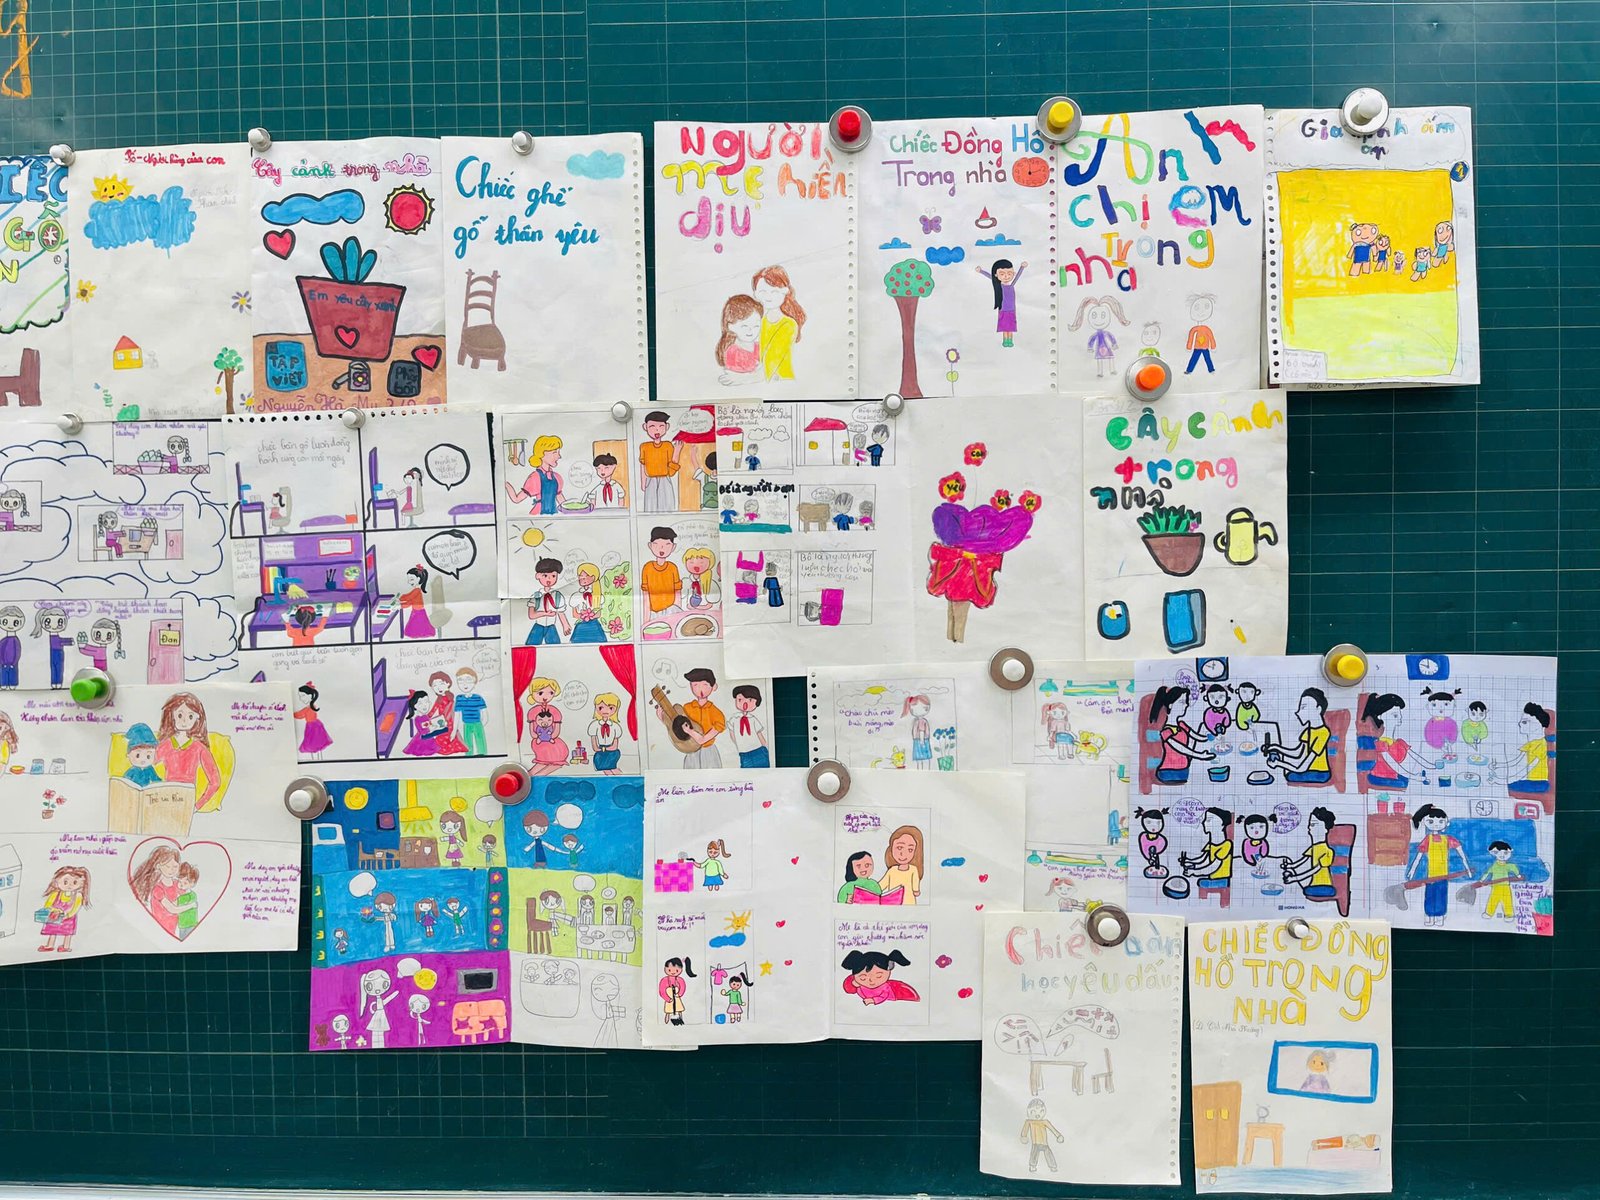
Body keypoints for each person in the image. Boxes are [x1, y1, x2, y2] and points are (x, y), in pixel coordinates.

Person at [154, 692, 225, 809]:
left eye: (190, 716)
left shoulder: (199, 748)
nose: (184, 721)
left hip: (187, 799)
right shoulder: (165, 745)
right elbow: (146, 763)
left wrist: (197, 806)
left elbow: (215, 781)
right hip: (166, 798)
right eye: (180, 715)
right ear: (172, 716)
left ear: (197, 719)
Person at [1407, 804, 1470, 926]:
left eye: (1440, 821)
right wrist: (1412, 869)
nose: (1436, 825)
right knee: (1430, 895)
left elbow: (1461, 853)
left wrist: (1467, 867)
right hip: (1431, 875)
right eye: (1431, 821)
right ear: (1425, 822)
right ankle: (1429, 915)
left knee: (1441, 895)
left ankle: (1440, 916)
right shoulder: (1428, 839)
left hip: (1443, 875)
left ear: (1446, 823)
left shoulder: (1448, 839)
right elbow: (1419, 856)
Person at [1362, 693, 1433, 789]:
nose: (1400, 717)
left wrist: (1431, 766)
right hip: (1382, 780)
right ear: (1381, 717)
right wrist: (1414, 777)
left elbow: (1414, 757)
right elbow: (1395, 766)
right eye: (1395, 715)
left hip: (1396, 777)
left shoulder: (1399, 742)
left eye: (1399, 714)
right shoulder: (1381, 745)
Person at [1265, 687, 1333, 784]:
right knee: (1288, 775)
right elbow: (1297, 753)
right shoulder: (1308, 731)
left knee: (1289, 776)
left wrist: (1279, 764)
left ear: (1318, 709)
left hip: (1320, 774)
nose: (1298, 712)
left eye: (1303, 707)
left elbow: (1302, 768)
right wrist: (1276, 748)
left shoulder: (1323, 733)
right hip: (1310, 771)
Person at [1148, 685, 1212, 784]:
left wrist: (1208, 736)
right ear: (1171, 705)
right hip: (1168, 772)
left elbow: (1196, 736)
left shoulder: (1181, 725)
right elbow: (1180, 748)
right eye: (1182, 702)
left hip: (1184, 771)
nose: (1186, 705)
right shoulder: (1166, 731)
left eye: (1186, 702)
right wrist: (1200, 755)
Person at [751, 265, 806, 380]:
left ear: (784, 292)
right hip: (764, 380)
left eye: (774, 291)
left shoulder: (789, 325)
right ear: (756, 294)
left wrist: (744, 379)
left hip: (782, 381)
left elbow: (772, 360)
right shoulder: (762, 321)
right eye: (763, 292)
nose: (768, 297)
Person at [1282, 806, 1339, 901]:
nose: (1309, 828)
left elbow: (1314, 870)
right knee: (1305, 888)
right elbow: (1302, 861)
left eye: (1313, 825)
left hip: (1325, 887)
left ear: (1325, 829)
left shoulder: (1328, 851)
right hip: (1313, 885)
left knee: (1306, 890)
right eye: (1309, 824)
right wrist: (1289, 866)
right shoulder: (1313, 848)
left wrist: (1295, 878)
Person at [130, 846, 185, 937]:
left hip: (174, 924)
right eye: (168, 866)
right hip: (161, 925)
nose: (172, 870)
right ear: (158, 866)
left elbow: (185, 896)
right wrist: (191, 906)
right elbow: (172, 908)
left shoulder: (177, 883)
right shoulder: (158, 888)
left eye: (175, 866)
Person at [506, 434, 565, 515]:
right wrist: (505, 484)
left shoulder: (557, 477)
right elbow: (516, 499)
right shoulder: (535, 477)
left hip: (553, 515)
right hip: (537, 516)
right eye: (554, 452)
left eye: (558, 452)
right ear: (542, 454)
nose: (559, 456)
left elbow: (562, 503)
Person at [679, 668, 726, 768]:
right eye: (695, 685)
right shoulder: (686, 708)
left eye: (704, 684)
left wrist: (690, 731)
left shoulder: (717, 713)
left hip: (708, 752)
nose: (700, 689)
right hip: (691, 752)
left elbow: (702, 740)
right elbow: (676, 727)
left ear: (714, 687)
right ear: (690, 686)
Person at [37, 865, 90, 953]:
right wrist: (54, 910)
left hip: (68, 918)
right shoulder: (55, 894)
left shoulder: (78, 896)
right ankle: (50, 945)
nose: (69, 886)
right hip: (55, 916)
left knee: (67, 932)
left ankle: (66, 946)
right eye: (65, 882)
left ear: (82, 883)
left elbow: (75, 908)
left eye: (75, 882)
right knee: (52, 930)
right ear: (57, 881)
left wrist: (67, 915)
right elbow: (48, 904)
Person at [975, 258, 1027, 347]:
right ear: (996, 275)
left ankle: (1010, 341)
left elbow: (1018, 276)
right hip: (1003, 310)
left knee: (1010, 328)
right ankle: (1005, 341)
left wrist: (1022, 267)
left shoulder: (1011, 285)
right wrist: (981, 271)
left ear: (1013, 273)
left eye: (1009, 273)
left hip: (1011, 311)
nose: (1006, 276)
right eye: (1002, 274)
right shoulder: (1000, 286)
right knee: (1005, 327)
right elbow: (990, 277)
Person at [1181, 807, 1233, 895]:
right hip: (1211, 877)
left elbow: (1213, 866)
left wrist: (1194, 872)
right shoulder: (1211, 844)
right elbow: (1204, 860)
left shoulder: (1226, 845)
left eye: (1208, 820)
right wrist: (1190, 863)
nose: (1204, 822)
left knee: (1200, 883)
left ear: (1221, 824)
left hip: (1221, 880)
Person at [1503, 703, 1552, 794]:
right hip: (1529, 781)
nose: (1519, 724)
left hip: (1539, 783)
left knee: (1506, 786)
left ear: (1539, 723)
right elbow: (1517, 761)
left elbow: (1527, 768)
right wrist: (1500, 765)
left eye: (1525, 722)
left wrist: (1504, 780)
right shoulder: (1531, 744)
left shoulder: (1541, 744)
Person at [637, 411, 681, 512]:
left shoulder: (668, 445)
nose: (657, 430)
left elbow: (671, 470)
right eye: (652, 426)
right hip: (650, 480)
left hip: (665, 480)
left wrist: (677, 451)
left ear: (667, 427)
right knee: (650, 507)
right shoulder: (644, 446)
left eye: (661, 426)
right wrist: (643, 482)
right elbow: (643, 465)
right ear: (645, 427)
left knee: (667, 506)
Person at [840, 948, 919, 1004]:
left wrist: (873, 1000)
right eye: (863, 978)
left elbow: (883, 996)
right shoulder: (857, 983)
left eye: (879, 976)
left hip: (896, 999)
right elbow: (849, 989)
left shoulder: (885, 987)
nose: (871, 981)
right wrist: (853, 984)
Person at [524, 677, 569, 773]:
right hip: (539, 741)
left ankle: (537, 774)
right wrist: (540, 737)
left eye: (551, 693)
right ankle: (533, 774)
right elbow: (532, 732)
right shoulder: (533, 712)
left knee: (558, 756)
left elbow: (556, 731)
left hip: (552, 740)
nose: (545, 697)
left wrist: (550, 737)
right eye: (540, 693)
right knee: (544, 760)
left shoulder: (554, 711)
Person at [525, 557, 572, 644]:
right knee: (531, 646)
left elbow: (560, 612)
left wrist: (565, 625)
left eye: (553, 576)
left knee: (555, 647)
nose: (549, 579)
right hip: (538, 626)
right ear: (538, 576)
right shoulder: (536, 596)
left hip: (551, 627)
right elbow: (531, 615)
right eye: (545, 576)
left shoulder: (557, 596)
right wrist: (545, 613)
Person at [715, 294, 764, 375]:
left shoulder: (760, 347)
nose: (751, 330)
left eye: (756, 326)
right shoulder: (732, 353)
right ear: (730, 326)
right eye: (744, 326)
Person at [641, 527, 683, 613]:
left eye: (667, 544)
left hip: (672, 610)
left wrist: (678, 612)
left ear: (673, 547)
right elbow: (646, 595)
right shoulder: (647, 568)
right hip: (653, 612)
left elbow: (678, 592)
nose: (662, 548)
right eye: (656, 544)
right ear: (650, 545)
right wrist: (646, 618)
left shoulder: (672, 568)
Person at [1478, 841, 1522, 921]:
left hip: (1505, 886)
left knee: (1507, 901)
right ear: (1493, 853)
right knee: (1493, 900)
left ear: (1510, 852)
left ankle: (1509, 915)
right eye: (1497, 852)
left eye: (1505, 853)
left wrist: (1518, 874)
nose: (1502, 855)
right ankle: (1488, 913)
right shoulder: (1494, 865)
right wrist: (1482, 879)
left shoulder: (1508, 865)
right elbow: (1488, 872)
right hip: (1496, 886)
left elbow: (1513, 867)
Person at [727, 684, 769, 768]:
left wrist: (765, 747)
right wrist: (739, 745)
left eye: (750, 700)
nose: (745, 703)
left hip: (758, 751)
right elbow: (732, 735)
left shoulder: (753, 719)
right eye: (740, 699)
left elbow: (759, 735)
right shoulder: (734, 719)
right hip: (744, 753)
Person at [880, 825, 923, 904]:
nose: (904, 854)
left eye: (910, 850)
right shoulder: (892, 870)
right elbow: (881, 885)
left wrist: (916, 890)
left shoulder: (913, 870)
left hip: (909, 903)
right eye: (899, 848)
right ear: (891, 848)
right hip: (893, 903)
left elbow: (915, 884)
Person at [1019, 1098, 1064, 1173]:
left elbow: (1052, 1129)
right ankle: (1032, 1166)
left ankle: (1053, 1166)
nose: (1037, 1115)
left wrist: (1058, 1136)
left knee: (1048, 1154)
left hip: (1044, 1143)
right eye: (1033, 1112)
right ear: (1029, 1111)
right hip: (1035, 1143)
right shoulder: (1029, 1122)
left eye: (1041, 1111)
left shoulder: (1045, 1122)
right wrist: (1023, 1136)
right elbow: (1025, 1130)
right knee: (1034, 1154)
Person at [32, 606, 71, 690]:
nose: (54, 626)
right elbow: (59, 642)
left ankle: (57, 683)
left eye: (59, 622)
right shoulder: (52, 637)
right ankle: (56, 683)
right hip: (55, 652)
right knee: (55, 668)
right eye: (48, 622)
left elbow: (59, 641)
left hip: (57, 652)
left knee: (57, 668)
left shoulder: (53, 637)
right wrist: (69, 641)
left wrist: (68, 641)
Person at [569, 563, 608, 643]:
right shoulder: (576, 595)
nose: (581, 579)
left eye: (584, 577)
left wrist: (590, 616)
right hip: (581, 626)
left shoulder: (598, 595)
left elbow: (598, 614)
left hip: (594, 625)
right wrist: (583, 616)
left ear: (593, 577)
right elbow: (574, 614)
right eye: (580, 577)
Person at [359, 968, 398, 1049]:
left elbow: (381, 1003)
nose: (377, 990)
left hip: (380, 1014)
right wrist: (392, 996)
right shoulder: (377, 1001)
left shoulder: (378, 1001)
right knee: (376, 1032)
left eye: (384, 984)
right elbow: (384, 1002)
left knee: (380, 1032)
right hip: (378, 1015)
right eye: (370, 986)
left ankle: (380, 1046)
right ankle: (376, 1046)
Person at [453, 668, 489, 755]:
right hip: (467, 724)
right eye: (460, 681)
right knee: (468, 745)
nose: (464, 684)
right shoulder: (459, 699)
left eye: (468, 680)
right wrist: (454, 730)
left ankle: (482, 755)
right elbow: (457, 715)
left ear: (474, 681)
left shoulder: (478, 698)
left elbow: (485, 714)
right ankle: (469, 757)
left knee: (480, 743)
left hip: (477, 723)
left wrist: (481, 725)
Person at [588, 692, 624, 774]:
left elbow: (614, 746)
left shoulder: (615, 726)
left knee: (613, 768)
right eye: (601, 708)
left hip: (612, 753)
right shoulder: (594, 725)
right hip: (600, 753)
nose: (605, 711)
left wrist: (605, 749)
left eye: (610, 708)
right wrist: (601, 749)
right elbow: (595, 747)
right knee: (604, 769)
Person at [295, 682, 333, 759]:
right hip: (316, 725)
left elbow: (299, 715)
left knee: (313, 744)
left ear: (310, 696)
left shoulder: (308, 708)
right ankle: (317, 760)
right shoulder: (311, 706)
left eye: (303, 696)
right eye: (300, 696)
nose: (301, 698)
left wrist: (290, 713)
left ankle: (316, 760)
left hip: (312, 727)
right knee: (315, 744)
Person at [1183, 294, 1218, 374]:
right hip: (1197, 347)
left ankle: (1211, 370)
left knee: (1207, 359)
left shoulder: (1207, 329)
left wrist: (1213, 346)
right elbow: (1191, 338)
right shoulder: (1194, 329)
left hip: (1205, 347)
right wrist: (1189, 347)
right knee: (1194, 359)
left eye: (1206, 307)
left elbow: (1211, 337)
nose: (1201, 312)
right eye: (1196, 308)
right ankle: (1189, 370)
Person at [399, 565, 436, 639]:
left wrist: (401, 604)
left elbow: (409, 599)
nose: (409, 582)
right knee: (416, 625)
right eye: (408, 580)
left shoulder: (417, 591)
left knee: (417, 625)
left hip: (418, 612)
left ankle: (419, 634)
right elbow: (408, 597)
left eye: (411, 579)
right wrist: (401, 598)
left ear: (418, 579)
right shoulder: (415, 590)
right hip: (416, 611)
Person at [659, 956, 695, 1025]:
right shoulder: (664, 980)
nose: (673, 972)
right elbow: (662, 991)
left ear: (681, 969)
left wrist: (679, 994)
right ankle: (666, 1021)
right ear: (665, 969)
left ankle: (681, 1019)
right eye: (669, 970)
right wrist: (667, 998)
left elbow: (683, 988)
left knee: (679, 1009)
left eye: (676, 970)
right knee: (668, 1011)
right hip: (669, 999)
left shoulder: (680, 980)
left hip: (677, 997)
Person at [1135, 807, 1169, 878]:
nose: (1153, 827)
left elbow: (1158, 851)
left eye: (1158, 823)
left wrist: (1153, 856)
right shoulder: (1143, 837)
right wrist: (1149, 858)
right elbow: (1144, 849)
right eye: (1149, 822)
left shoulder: (1161, 840)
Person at [173, 862, 201, 940]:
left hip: (191, 924)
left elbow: (178, 907)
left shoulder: (191, 895)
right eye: (180, 882)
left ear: (192, 883)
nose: (181, 885)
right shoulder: (180, 896)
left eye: (185, 883)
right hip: (182, 925)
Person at [904, 694, 932, 770]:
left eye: (925, 707)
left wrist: (921, 740)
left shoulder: (918, 721)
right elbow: (921, 731)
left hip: (919, 741)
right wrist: (922, 741)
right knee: (925, 759)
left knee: (920, 760)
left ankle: (921, 771)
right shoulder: (921, 721)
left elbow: (920, 731)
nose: (925, 709)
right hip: (922, 741)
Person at [0, 605, 23, 688]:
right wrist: (2, 662)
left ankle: (13, 684)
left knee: (13, 674)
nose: (10, 626)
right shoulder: (3, 640)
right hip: (3, 664)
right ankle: (4, 684)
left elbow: (18, 652)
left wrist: (14, 662)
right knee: (4, 674)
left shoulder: (15, 640)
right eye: (5, 622)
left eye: (15, 622)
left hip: (13, 664)